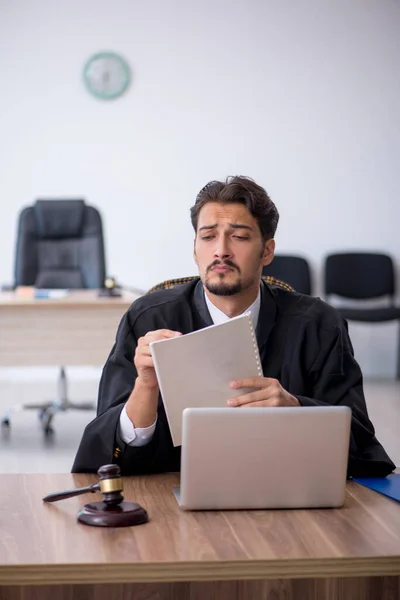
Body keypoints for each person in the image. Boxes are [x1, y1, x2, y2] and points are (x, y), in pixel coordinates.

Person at [72, 176, 395, 477]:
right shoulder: (149, 318)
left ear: (266, 251)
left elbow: (359, 439)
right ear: (195, 249)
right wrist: (145, 385)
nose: (221, 250)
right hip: (169, 502)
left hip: (287, 497)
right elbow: (104, 454)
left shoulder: (319, 324)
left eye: (239, 236)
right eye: (208, 236)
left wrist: (297, 410)